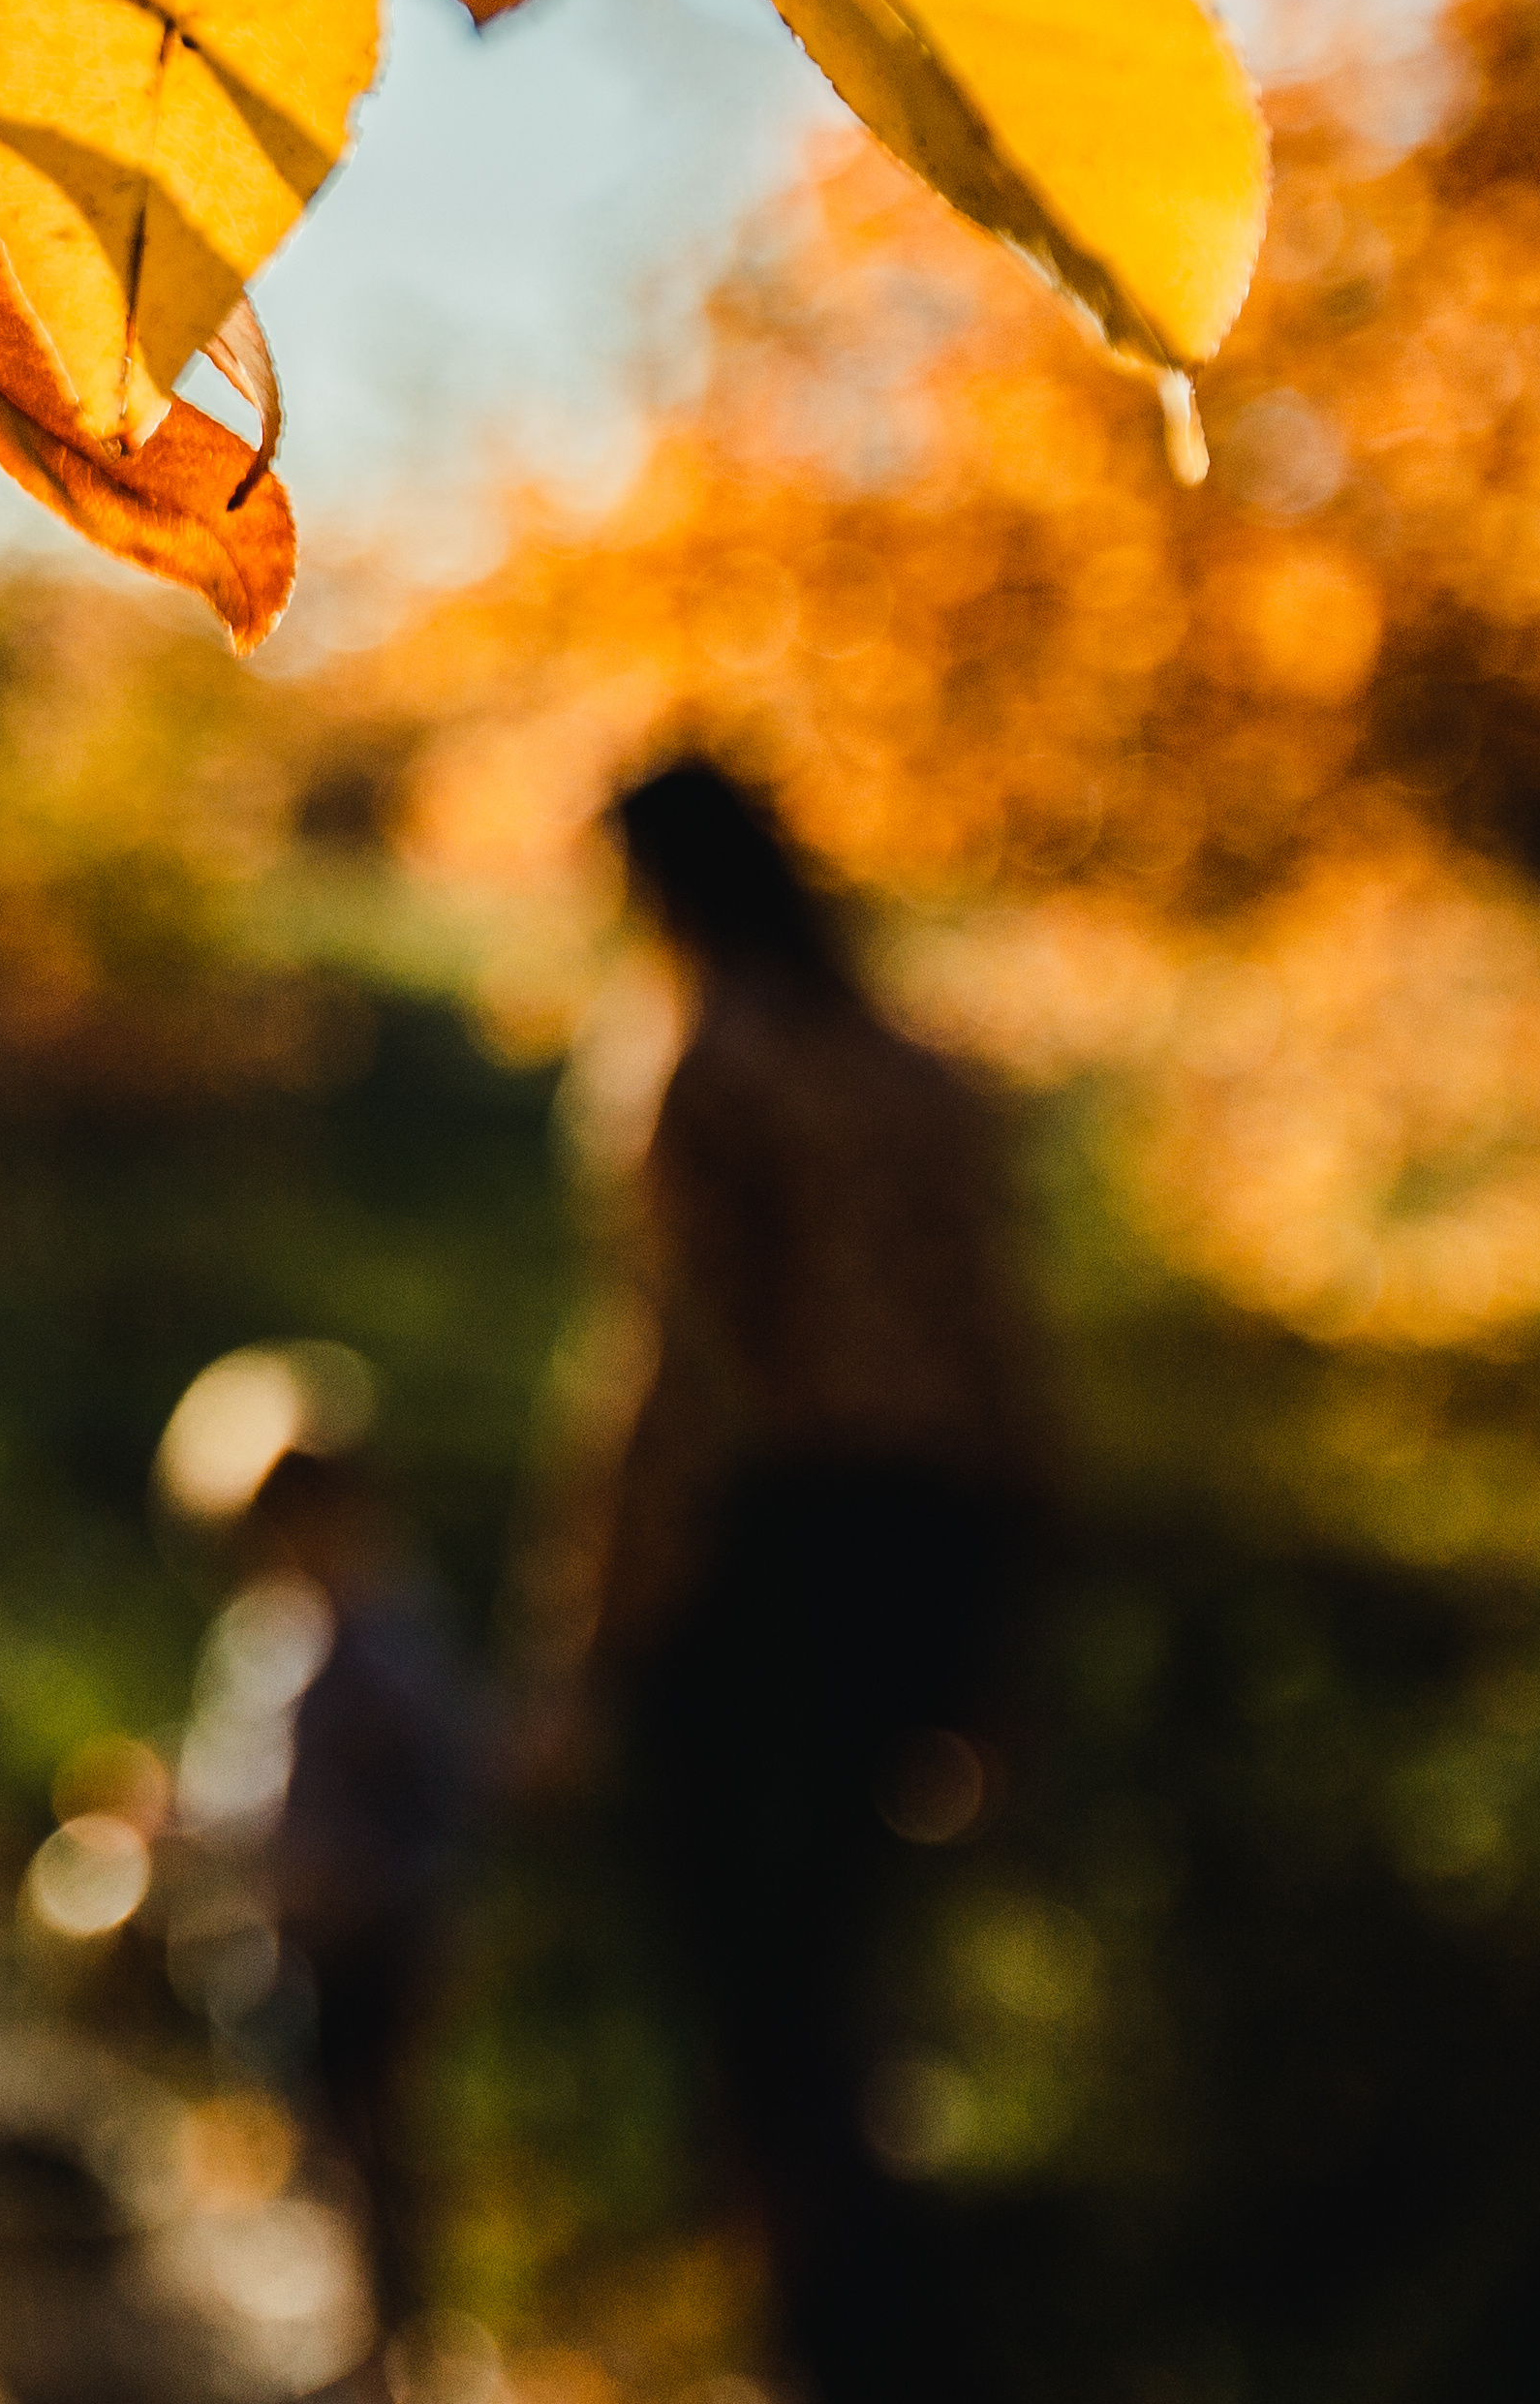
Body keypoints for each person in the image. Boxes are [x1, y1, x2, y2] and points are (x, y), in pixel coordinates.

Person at [571, 755, 1058, 2404]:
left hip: (769, 1545)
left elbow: (684, 1364)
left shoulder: (705, 1065)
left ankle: (827, 2325)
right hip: (930, 1534)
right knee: (839, 1942)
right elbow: (999, 1342)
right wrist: (993, 1610)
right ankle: (881, 2306)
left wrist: (594, 1612)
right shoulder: (913, 1072)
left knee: (747, 1960)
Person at [228, 1440, 484, 2363]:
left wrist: (438, 1916)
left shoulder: (394, 1646)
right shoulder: (269, 1641)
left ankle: (407, 2340)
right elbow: (249, 1796)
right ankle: (356, 2331)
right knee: (322, 2127)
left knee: (386, 2138)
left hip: (385, 1936)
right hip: (299, 1941)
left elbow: (447, 1795)